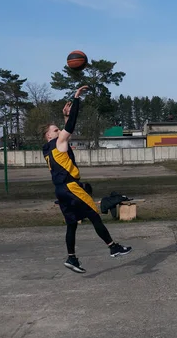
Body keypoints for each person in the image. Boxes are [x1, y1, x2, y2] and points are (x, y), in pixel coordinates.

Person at [41, 85, 132, 273]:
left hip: (60, 191)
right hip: (71, 188)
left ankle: (72, 258)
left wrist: (65, 118)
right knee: (94, 214)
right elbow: (71, 126)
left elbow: (67, 132)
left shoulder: (47, 149)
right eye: (55, 129)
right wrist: (76, 98)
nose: (59, 131)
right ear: (48, 135)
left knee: (72, 224)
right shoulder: (58, 142)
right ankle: (113, 247)